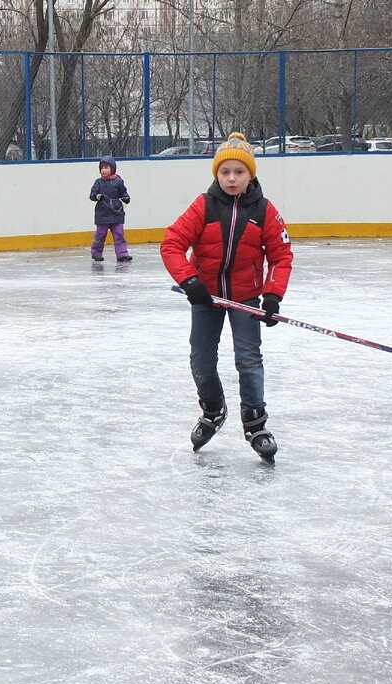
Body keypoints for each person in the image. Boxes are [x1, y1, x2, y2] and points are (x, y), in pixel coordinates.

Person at [160, 133, 293, 461]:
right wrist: (190, 282)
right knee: (201, 359)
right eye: (225, 172)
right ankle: (213, 409)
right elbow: (172, 243)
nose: (232, 178)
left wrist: (273, 296)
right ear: (216, 174)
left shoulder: (264, 210)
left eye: (239, 172)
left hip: (245, 297)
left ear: (251, 174)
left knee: (248, 359)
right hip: (205, 297)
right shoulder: (203, 206)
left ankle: (256, 423)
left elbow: (281, 255)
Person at [88, 155, 131, 262]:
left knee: (119, 234)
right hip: (102, 214)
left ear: (112, 169)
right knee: (100, 235)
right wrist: (97, 196)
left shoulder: (118, 181)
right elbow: (92, 195)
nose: (104, 170)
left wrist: (126, 198)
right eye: (102, 168)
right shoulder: (98, 182)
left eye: (106, 167)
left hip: (116, 213)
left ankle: (122, 254)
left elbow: (123, 193)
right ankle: (96, 253)